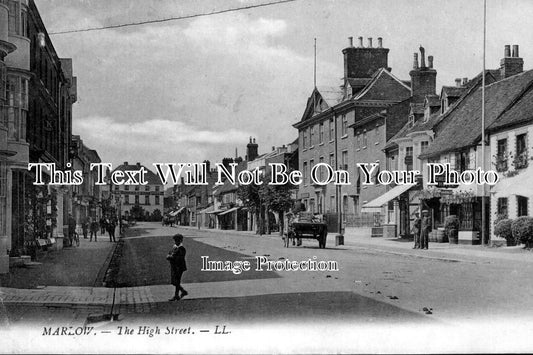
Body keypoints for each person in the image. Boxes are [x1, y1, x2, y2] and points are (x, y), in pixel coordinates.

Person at [166, 234, 188, 301]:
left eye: (178, 241)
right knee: (174, 282)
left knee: (177, 281)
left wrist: (170, 257)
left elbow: (178, 258)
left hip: (179, 267)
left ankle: (176, 295)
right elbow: (170, 253)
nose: (176, 242)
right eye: (175, 241)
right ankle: (183, 291)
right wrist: (170, 256)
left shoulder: (182, 249)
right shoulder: (175, 247)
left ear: (181, 241)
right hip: (174, 267)